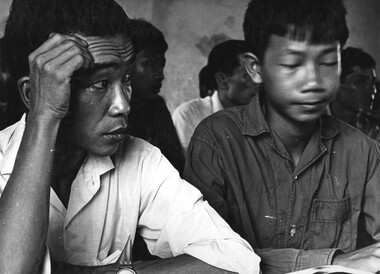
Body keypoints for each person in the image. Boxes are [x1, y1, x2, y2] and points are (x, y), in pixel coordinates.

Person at [0, 0, 261, 273]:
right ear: (34, 94)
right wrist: (44, 116)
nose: (123, 105)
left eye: (126, 79)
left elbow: (236, 260)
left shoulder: (141, 160)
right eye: (99, 83)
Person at [184, 0, 380, 273]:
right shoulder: (216, 140)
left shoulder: (363, 151)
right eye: (292, 64)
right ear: (255, 68)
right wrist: (331, 261)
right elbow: (207, 259)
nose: (313, 81)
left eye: (327, 62)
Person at [172, 40, 260, 154]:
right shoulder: (189, 115)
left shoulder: (265, 116)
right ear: (222, 80)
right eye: (248, 75)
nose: (258, 82)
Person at [127, 18, 185, 175]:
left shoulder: (156, 107)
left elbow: (176, 167)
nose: (160, 75)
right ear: (125, 64)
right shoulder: (111, 108)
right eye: (149, 63)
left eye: (161, 64)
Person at [329, 47, 379, 141]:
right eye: (361, 81)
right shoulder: (311, 124)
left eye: (373, 82)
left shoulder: (372, 129)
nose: (372, 89)